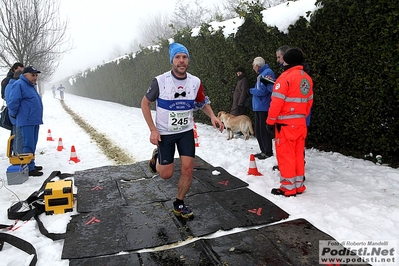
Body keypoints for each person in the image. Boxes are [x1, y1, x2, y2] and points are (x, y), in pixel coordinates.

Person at [141, 42, 224, 219]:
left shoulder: (195, 82)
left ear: (188, 61)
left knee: (188, 170)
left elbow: (201, 102)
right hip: (165, 133)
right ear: (172, 60)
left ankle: (179, 203)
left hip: (186, 131)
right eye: (178, 57)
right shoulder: (160, 81)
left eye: (184, 57)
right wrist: (153, 129)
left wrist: (212, 116)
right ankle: (157, 158)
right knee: (166, 174)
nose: (181, 61)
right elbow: (145, 103)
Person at [266, 48, 313, 197]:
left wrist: (270, 122)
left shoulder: (285, 78)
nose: (282, 62)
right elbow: (309, 102)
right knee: (298, 154)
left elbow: (276, 104)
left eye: (284, 59)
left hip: (285, 126)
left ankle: (288, 187)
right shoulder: (307, 78)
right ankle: (298, 185)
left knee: (286, 155)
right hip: (300, 124)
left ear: (288, 61)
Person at [8, 66, 44, 176]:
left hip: (34, 120)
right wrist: (15, 115)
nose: (35, 77)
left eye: (36, 75)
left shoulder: (31, 86)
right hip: (26, 120)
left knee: (32, 144)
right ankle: (28, 167)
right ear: (25, 75)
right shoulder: (19, 84)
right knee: (27, 144)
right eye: (33, 75)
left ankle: (31, 163)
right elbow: (13, 102)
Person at [249, 57, 276, 160]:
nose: (253, 68)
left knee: (263, 130)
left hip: (263, 106)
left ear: (257, 65)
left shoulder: (267, 73)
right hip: (259, 106)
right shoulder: (262, 74)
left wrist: (250, 91)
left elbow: (263, 91)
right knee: (258, 130)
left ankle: (267, 151)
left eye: (253, 65)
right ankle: (263, 150)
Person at [5, 70, 24, 155]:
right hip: (16, 116)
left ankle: (17, 154)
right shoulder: (15, 86)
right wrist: (14, 115)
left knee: (16, 136)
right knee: (18, 137)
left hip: (14, 115)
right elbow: (13, 102)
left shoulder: (9, 85)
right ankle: (18, 156)